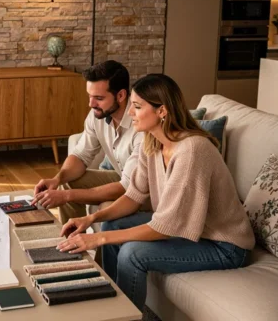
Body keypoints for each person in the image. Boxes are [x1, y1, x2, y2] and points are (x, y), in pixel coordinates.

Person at [56, 73, 255, 311]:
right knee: (112, 224)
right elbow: (133, 196)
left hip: (223, 245)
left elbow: (165, 226)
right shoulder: (151, 142)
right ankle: (110, 303)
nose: (130, 112)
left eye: (138, 107)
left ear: (162, 111)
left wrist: (98, 238)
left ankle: (126, 315)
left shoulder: (192, 150)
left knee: (132, 253)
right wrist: (91, 219)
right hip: (190, 231)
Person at [32, 61, 143, 238]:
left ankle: (95, 254)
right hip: (122, 177)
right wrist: (57, 179)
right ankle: (71, 241)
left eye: (99, 98)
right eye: (89, 96)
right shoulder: (97, 114)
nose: (91, 104)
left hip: (144, 191)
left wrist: (67, 196)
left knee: (96, 204)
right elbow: (81, 155)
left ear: (121, 95)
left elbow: (127, 187)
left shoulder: (141, 125)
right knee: (68, 181)